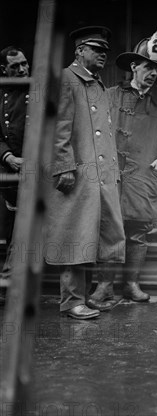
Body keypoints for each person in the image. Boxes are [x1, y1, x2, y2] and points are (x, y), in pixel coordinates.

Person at [88, 31, 157, 306]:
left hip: (143, 178)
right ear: (134, 66)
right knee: (108, 228)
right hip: (110, 175)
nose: (153, 73)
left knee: (137, 232)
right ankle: (104, 286)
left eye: (156, 68)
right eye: (148, 66)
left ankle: (131, 285)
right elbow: (91, 131)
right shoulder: (109, 96)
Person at [44, 26, 125, 319]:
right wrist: (64, 166)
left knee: (102, 237)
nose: (103, 54)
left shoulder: (97, 84)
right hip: (76, 174)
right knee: (75, 237)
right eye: (96, 49)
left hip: (101, 176)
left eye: (105, 50)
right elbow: (58, 127)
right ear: (79, 50)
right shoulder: (66, 79)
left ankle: (94, 294)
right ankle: (71, 301)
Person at [0, 46, 29, 297]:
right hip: (10, 174)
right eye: (15, 66)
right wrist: (8, 157)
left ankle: (10, 282)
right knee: (14, 229)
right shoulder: (1, 96)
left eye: (24, 64)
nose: (21, 69)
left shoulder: (37, 91)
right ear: (3, 70)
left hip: (38, 172)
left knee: (24, 228)